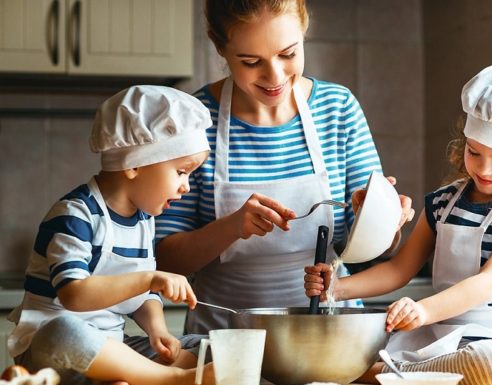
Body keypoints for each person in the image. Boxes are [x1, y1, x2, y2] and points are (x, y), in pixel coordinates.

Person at [154, 0, 414, 334]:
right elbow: (164, 259)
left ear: (304, 31)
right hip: (225, 336)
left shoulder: (337, 109)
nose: (274, 76)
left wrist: (384, 219)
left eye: (288, 54)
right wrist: (232, 227)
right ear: (220, 46)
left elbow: (372, 249)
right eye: (251, 62)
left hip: (329, 334)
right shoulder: (194, 120)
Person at [305, 63, 492, 385]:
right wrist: (334, 287)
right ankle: (404, 375)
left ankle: (383, 375)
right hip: (441, 341)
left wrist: (424, 311)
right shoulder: (443, 203)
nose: (484, 170)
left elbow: (490, 283)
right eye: (474, 152)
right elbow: (399, 270)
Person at [7, 85, 217, 385]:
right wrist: (150, 278)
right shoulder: (75, 215)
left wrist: (157, 329)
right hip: (55, 354)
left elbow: (143, 296)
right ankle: (172, 379)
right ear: (134, 165)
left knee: (209, 348)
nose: (186, 186)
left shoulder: (144, 219)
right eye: (181, 172)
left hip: (112, 350)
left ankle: (139, 377)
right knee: (63, 331)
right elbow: (75, 294)